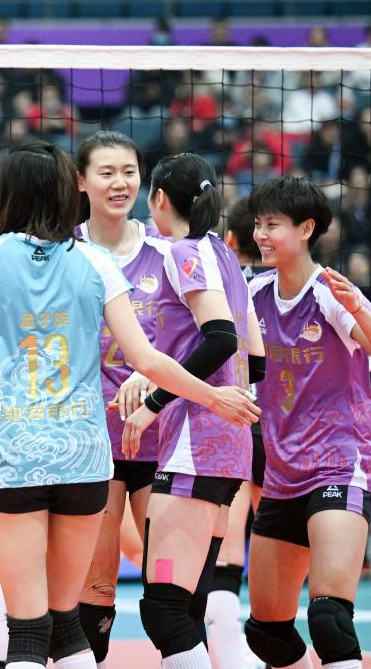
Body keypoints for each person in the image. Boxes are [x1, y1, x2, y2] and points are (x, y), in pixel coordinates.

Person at [0, 139, 260, 669]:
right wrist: (212, 394)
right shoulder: (96, 262)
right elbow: (149, 360)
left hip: (13, 455)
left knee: (28, 631)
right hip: (85, 458)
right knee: (69, 623)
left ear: (8, 195)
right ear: (66, 191)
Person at [245, 177, 371, 669]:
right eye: (257, 224)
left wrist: (357, 307)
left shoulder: (330, 294)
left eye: (272, 224)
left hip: (337, 464)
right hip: (281, 474)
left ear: (306, 228)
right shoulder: (254, 294)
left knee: (329, 618)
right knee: (267, 634)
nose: (261, 234)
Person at [120, 152, 264, 669]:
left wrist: (155, 402)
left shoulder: (182, 252)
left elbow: (221, 339)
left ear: (158, 198)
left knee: (164, 609)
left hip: (196, 445)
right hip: (226, 447)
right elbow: (255, 356)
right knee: (186, 603)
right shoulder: (222, 254)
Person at [73, 130, 169, 669]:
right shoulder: (62, 252)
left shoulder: (167, 253)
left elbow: (200, 340)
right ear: (81, 182)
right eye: (106, 172)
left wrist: (153, 379)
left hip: (162, 439)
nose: (119, 183)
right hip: (90, 444)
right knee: (96, 591)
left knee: (170, 593)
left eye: (129, 172)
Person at [204, 198, 270, 669]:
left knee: (225, 547)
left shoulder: (218, 282)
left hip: (232, 415)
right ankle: (265, 639)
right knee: (277, 541)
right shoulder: (283, 287)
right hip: (278, 424)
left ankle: (229, 649)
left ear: (229, 241)